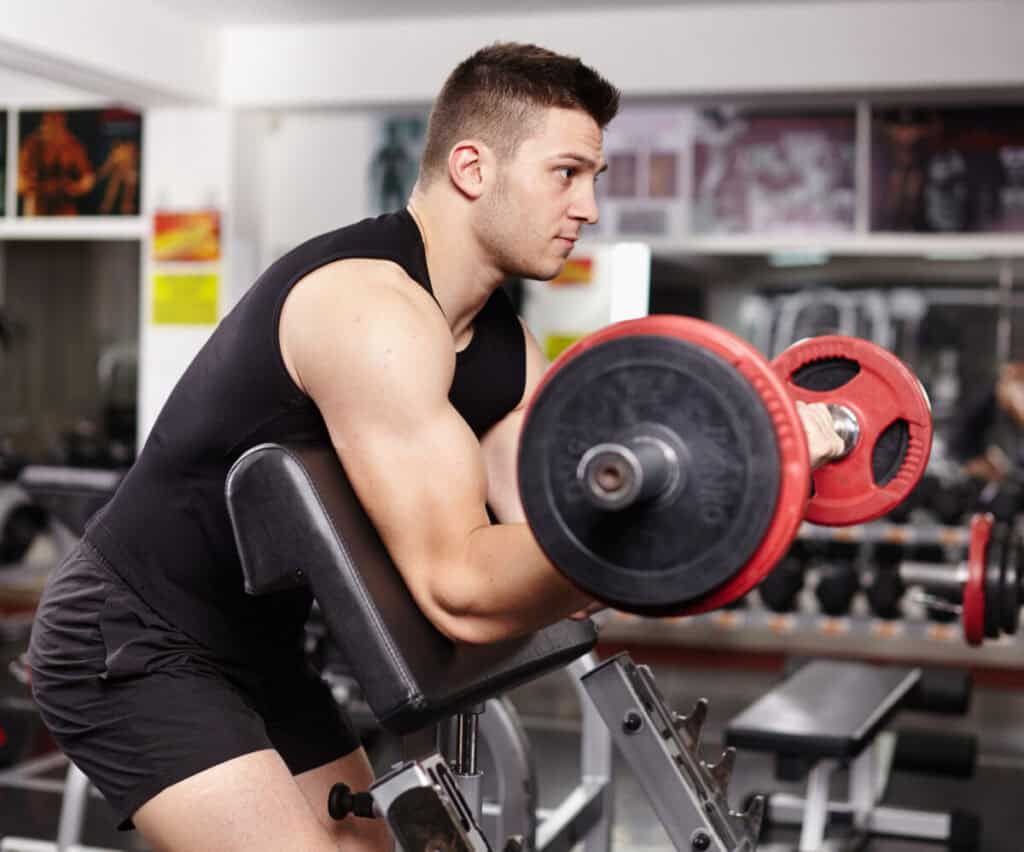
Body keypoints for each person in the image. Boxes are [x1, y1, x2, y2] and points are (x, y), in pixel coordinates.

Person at [27, 42, 845, 852]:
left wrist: (730, 495)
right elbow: (461, 587)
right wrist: (733, 488)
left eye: (594, 178)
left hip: (261, 647)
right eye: (566, 173)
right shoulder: (368, 309)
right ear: (472, 167)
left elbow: (552, 544)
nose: (589, 206)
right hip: (129, 633)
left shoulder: (502, 345)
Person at [17, 111, 96, 216]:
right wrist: (40, 187)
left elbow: (88, 179)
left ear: (64, 120)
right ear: (44, 119)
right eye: (51, 117)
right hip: (37, 209)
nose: (55, 122)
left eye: (58, 118)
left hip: (64, 209)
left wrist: (72, 189)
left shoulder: (72, 144)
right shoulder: (31, 145)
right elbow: (19, 183)